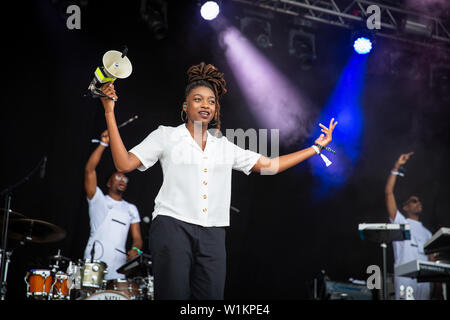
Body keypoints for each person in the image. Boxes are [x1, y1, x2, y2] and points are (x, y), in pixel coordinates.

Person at [99, 62, 337, 299]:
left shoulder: (223, 146)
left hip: (213, 233)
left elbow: (270, 166)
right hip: (173, 226)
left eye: (211, 101)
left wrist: (315, 148)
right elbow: (124, 164)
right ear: (185, 105)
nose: (206, 105)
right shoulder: (167, 135)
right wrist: (110, 112)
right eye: (198, 99)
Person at [83, 129, 143, 280]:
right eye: (118, 177)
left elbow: (137, 238)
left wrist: (136, 249)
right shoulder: (98, 199)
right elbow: (89, 170)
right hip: (95, 261)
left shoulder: (131, 209)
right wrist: (103, 144)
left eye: (125, 179)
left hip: (119, 266)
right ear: (109, 183)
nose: (122, 180)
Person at [384, 152, 432, 300]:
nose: (418, 203)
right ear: (405, 207)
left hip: (424, 281)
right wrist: (396, 167)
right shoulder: (400, 222)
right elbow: (388, 193)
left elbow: (432, 260)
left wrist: (436, 286)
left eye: (419, 201)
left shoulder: (428, 233)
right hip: (405, 278)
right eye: (414, 201)